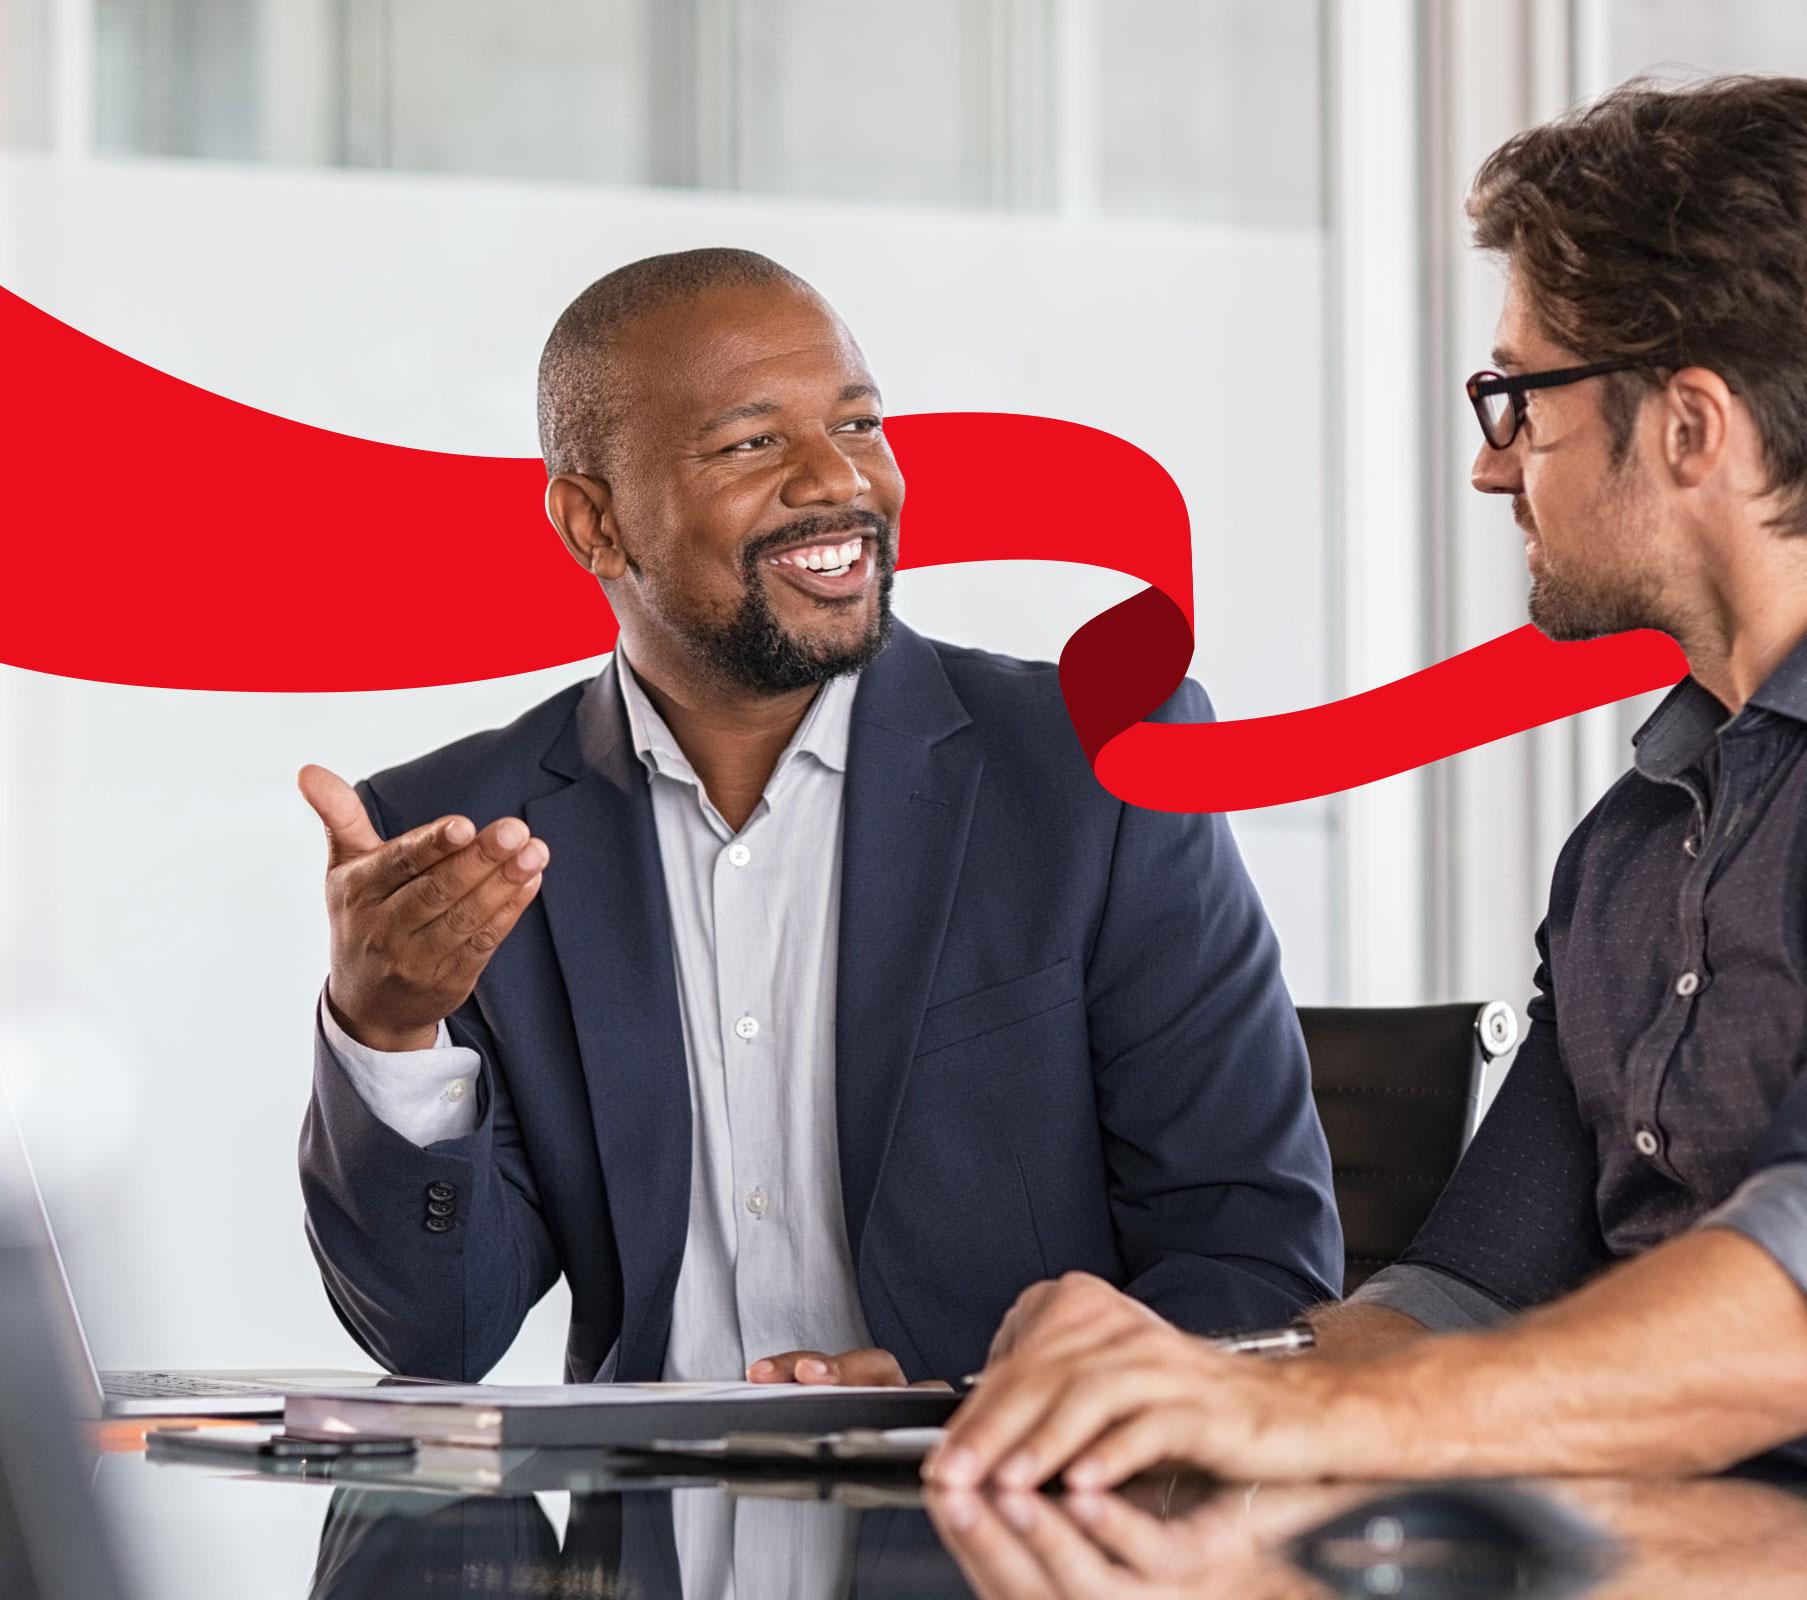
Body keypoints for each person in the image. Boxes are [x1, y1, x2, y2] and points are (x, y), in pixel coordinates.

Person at [927, 73, 1807, 1492]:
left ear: (1691, 426)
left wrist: (1295, 1423)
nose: (1492, 468)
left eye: (1520, 399)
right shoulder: (1630, 845)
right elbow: (1455, 1299)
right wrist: (1166, 1384)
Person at [296, 249, 1341, 1388]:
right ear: (593, 523)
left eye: (858, 424)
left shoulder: (1099, 769)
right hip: (650, 1545)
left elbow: (1254, 1261)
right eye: (752, 443)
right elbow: (437, 1336)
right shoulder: (465, 836)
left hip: (997, 1525)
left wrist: (973, 1403)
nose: (836, 481)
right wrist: (385, 1032)